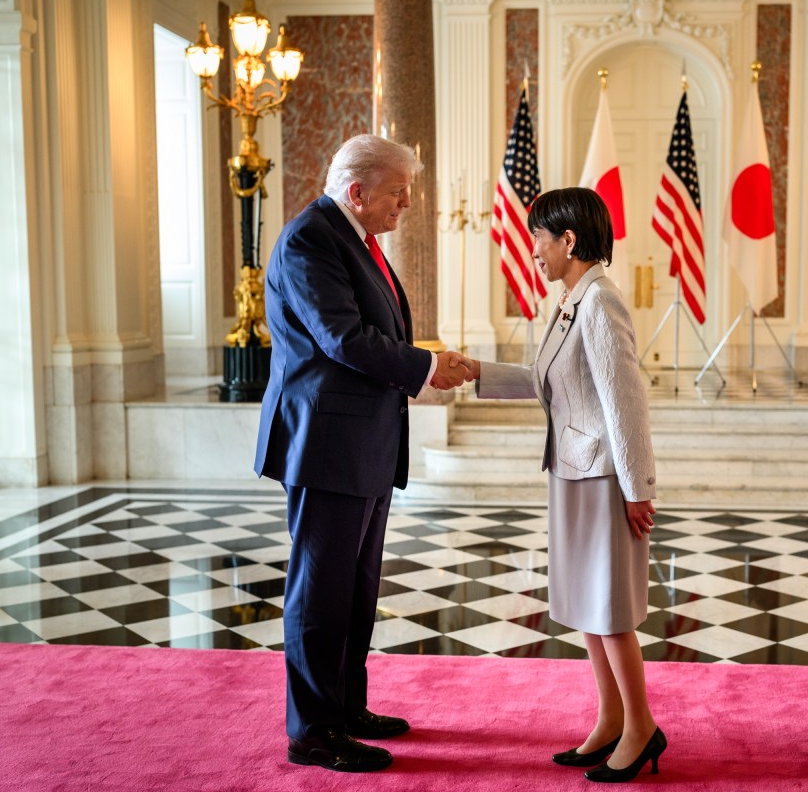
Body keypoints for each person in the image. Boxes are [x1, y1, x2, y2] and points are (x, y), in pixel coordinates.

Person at [254, 134, 468, 773]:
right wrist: (425, 367)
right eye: (399, 193)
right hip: (327, 444)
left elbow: (373, 332)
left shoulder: (356, 240)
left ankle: (346, 709)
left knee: (355, 590)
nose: (406, 205)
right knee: (320, 592)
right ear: (358, 191)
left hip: (363, 443)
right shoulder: (310, 239)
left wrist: (421, 360)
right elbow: (343, 338)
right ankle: (314, 731)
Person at [460, 187, 667, 783]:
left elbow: (626, 404)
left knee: (611, 610)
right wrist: (478, 371)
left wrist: (638, 488)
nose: (533, 251)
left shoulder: (600, 302)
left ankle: (642, 728)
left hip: (604, 476)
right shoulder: (572, 300)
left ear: (568, 240)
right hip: (572, 470)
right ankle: (609, 720)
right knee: (586, 608)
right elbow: (544, 381)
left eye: (538, 238)